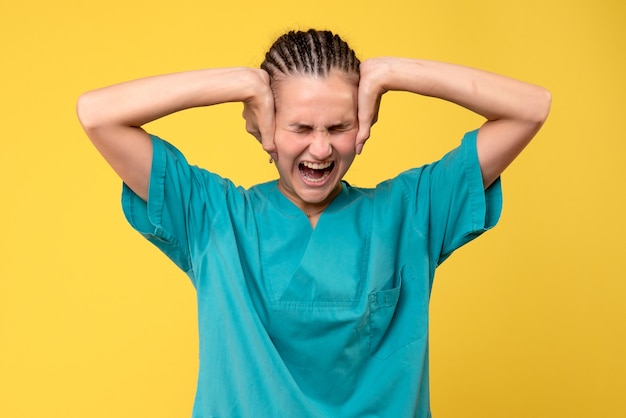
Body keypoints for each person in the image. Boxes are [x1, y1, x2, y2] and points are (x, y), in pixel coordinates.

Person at [77, 29, 550, 417]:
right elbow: (98, 116)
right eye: (301, 128)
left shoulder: (412, 213)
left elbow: (531, 108)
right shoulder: (212, 217)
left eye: (338, 128)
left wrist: (390, 72)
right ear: (265, 128)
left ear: (363, 123)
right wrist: (242, 84)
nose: (321, 149)